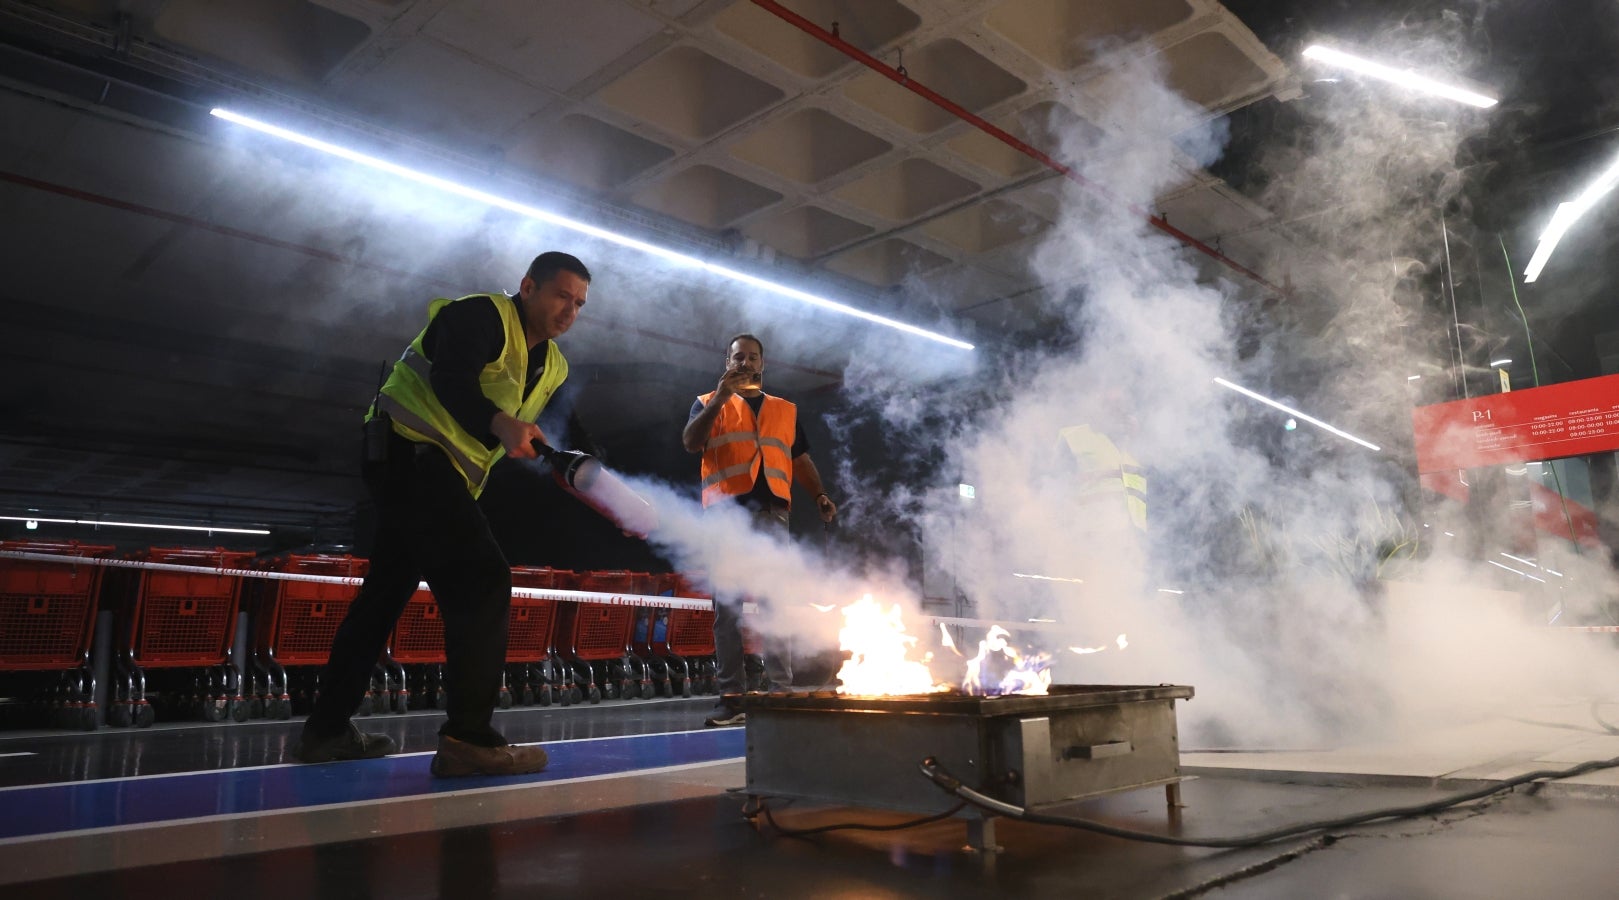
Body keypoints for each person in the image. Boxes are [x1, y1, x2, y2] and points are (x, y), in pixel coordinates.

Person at [292, 251, 591, 776]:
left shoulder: (554, 364)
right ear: (528, 287)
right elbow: (453, 381)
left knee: (383, 597)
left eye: (580, 303)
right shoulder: (479, 314)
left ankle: (325, 729)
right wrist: (499, 423)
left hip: (434, 473)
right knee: (483, 578)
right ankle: (467, 739)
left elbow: (570, 425)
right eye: (562, 295)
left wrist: (594, 470)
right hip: (409, 452)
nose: (570, 310)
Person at [683, 333, 837, 727]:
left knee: (775, 605)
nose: (746, 363)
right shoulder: (706, 402)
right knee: (729, 610)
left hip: (772, 514)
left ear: (762, 364)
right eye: (739, 357)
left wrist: (819, 494)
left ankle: (780, 693)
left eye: (752, 357)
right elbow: (690, 442)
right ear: (727, 361)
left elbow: (799, 458)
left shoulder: (784, 410)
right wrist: (719, 398)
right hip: (725, 517)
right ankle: (731, 698)